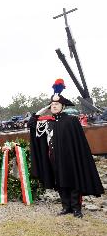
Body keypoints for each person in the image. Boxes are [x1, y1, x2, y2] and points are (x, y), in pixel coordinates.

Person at [29, 79, 104, 218]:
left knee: (74, 181)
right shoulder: (47, 122)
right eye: (52, 104)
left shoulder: (71, 121)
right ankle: (66, 207)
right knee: (60, 182)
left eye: (57, 104)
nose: (54, 106)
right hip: (54, 158)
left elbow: (79, 142)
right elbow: (31, 123)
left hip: (71, 157)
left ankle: (76, 208)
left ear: (63, 106)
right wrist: (43, 109)